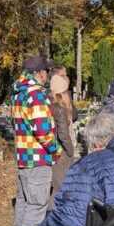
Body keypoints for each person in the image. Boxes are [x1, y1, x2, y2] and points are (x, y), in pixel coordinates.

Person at [10, 56, 63, 226]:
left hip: (23, 156)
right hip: (37, 156)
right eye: (46, 72)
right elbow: (43, 131)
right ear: (39, 73)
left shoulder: (18, 92)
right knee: (37, 205)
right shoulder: (36, 95)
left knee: (23, 202)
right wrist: (56, 150)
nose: (48, 76)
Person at [48, 74, 75, 210]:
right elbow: (64, 134)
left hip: (49, 148)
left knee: (52, 186)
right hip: (61, 151)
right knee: (60, 186)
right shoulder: (60, 108)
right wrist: (70, 151)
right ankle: (54, 216)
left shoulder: (47, 104)